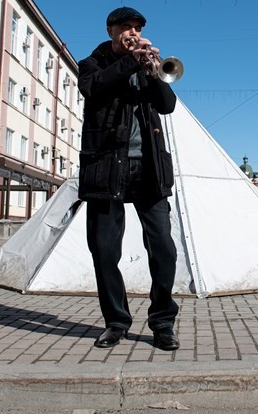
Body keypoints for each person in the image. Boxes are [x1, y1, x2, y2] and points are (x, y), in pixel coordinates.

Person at [77, 6, 181, 350]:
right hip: (106, 169)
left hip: (149, 168)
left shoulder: (146, 67)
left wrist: (152, 69)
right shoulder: (92, 64)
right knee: (105, 252)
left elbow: (167, 106)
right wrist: (131, 62)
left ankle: (163, 322)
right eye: (126, 27)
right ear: (110, 31)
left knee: (164, 249)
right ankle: (116, 322)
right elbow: (95, 90)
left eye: (137, 27)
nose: (132, 32)